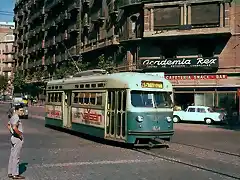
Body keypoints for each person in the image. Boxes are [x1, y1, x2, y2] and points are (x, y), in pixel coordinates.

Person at [7, 105, 25, 179]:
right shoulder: (16, 117)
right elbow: (14, 127)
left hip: (13, 137)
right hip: (17, 138)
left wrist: (12, 132)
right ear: (17, 110)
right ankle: (15, 174)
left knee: (12, 156)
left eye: (22, 110)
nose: (22, 112)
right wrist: (20, 134)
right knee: (16, 157)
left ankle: (10, 172)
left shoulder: (12, 117)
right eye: (21, 110)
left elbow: (8, 125)